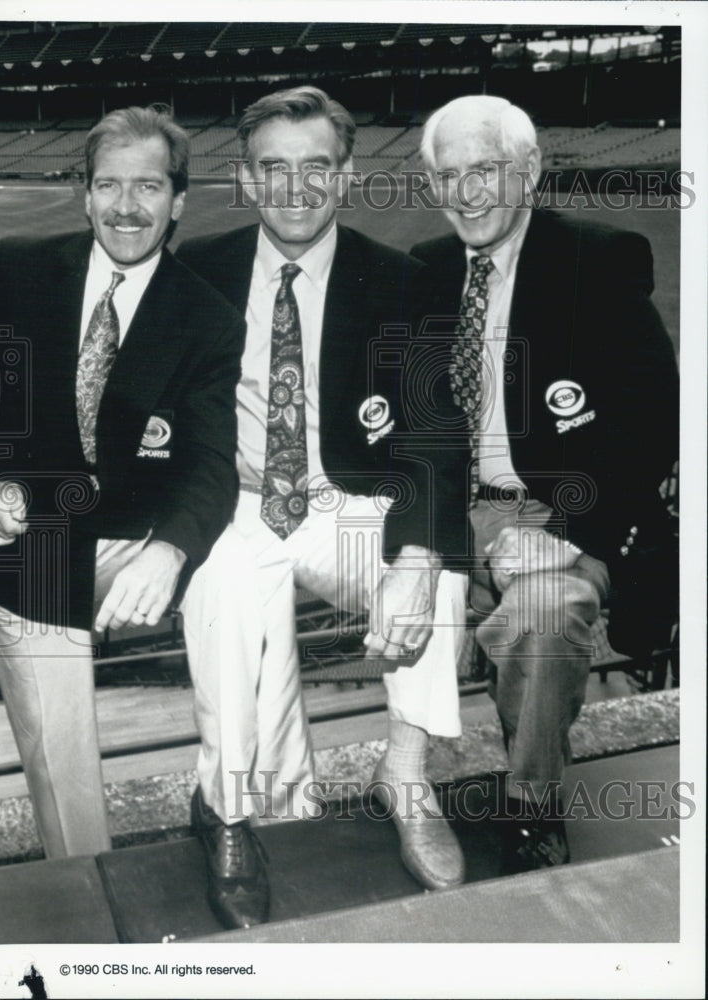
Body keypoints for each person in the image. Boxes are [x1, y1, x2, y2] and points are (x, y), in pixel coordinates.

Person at [176, 86, 469, 928]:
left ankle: (406, 774)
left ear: (345, 177)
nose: (295, 187)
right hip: (234, 498)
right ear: (246, 177)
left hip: (343, 498)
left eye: (315, 167)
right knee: (222, 583)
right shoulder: (195, 271)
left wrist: (414, 563)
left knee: (436, 569)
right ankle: (231, 810)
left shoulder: (403, 280)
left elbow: (433, 432)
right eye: (274, 167)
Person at [412, 94, 678, 872]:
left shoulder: (597, 258)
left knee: (544, 610)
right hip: (446, 510)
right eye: (447, 176)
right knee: (398, 589)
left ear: (527, 172)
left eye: (484, 171)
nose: (465, 194)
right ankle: (400, 795)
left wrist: (563, 530)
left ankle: (533, 803)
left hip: (556, 509)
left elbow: (654, 420)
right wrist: (431, 539)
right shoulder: (420, 274)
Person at [0, 106, 244, 862]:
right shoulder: (21, 266)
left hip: (133, 536)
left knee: (236, 571)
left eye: (149, 187)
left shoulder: (209, 319)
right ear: (86, 194)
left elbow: (213, 466)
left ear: (178, 200)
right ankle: (86, 870)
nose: (127, 206)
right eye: (109, 185)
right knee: (57, 730)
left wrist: (170, 551)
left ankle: (235, 812)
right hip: (33, 539)